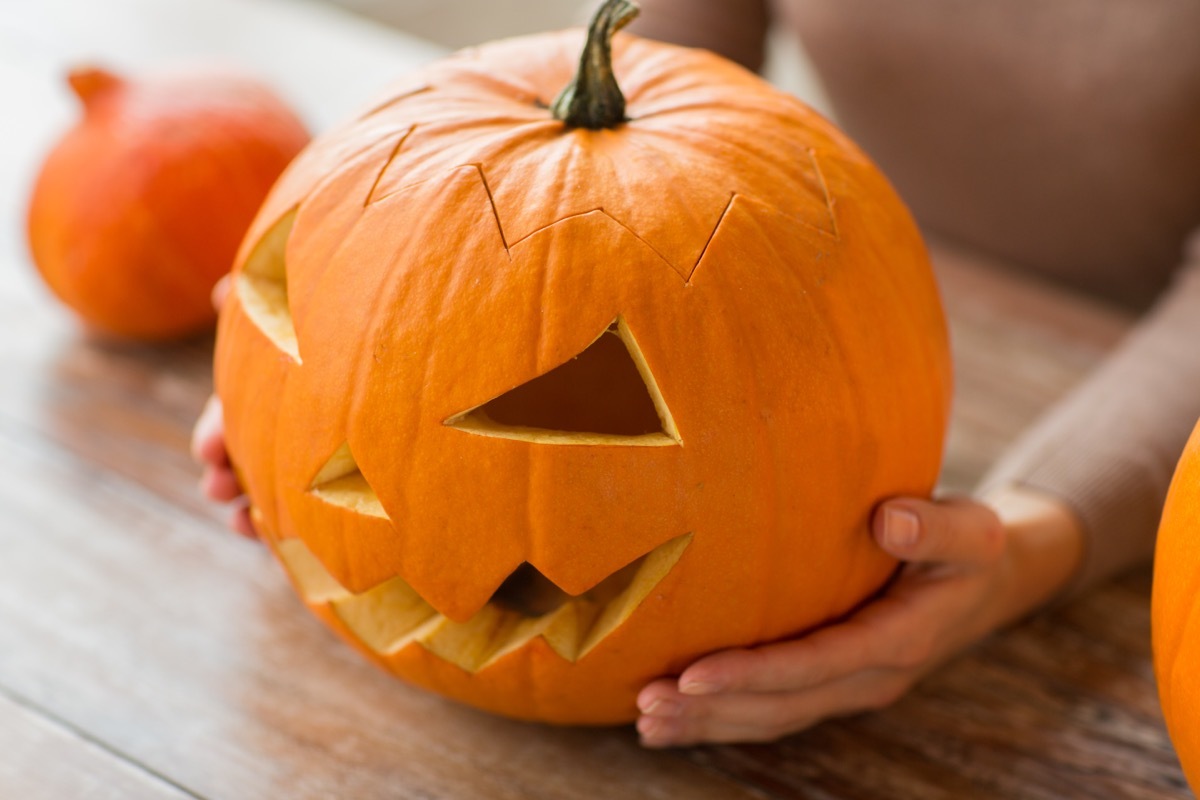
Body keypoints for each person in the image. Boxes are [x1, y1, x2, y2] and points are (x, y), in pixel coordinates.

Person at [193, 0, 1200, 748]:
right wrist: (326, 352)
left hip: (1132, 420)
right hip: (843, 294)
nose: (360, 474)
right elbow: (660, 66)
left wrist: (1026, 541)